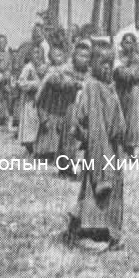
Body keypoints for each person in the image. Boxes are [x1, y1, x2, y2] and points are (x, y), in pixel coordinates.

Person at [64, 44, 126, 252]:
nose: (108, 68)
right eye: (103, 63)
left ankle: (103, 230)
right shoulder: (92, 87)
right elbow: (84, 121)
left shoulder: (109, 87)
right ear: (92, 65)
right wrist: (94, 141)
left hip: (112, 150)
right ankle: (91, 232)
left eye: (111, 63)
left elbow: (118, 122)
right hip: (100, 150)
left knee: (109, 192)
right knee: (95, 191)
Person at [57, 40, 92, 177]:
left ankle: (85, 168)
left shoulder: (91, 72)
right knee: (68, 139)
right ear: (74, 56)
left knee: (84, 139)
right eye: (80, 56)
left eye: (86, 56)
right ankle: (65, 167)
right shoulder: (67, 70)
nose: (83, 59)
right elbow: (62, 82)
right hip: (70, 109)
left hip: (86, 111)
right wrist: (74, 84)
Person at [34, 46, 71, 162]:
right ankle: (44, 153)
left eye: (60, 55)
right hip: (49, 99)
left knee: (59, 126)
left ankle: (57, 152)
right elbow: (43, 83)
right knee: (48, 125)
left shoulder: (67, 68)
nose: (58, 58)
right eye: (55, 56)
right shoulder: (49, 69)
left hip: (61, 99)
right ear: (50, 57)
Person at [114, 31, 139, 157]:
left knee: (132, 121)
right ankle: (121, 149)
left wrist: (118, 70)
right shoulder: (121, 56)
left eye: (129, 42)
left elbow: (133, 74)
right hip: (122, 91)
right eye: (125, 42)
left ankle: (130, 150)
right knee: (121, 118)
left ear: (134, 44)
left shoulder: (137, 56)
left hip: (133, 92)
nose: (127, 45)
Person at [17, 44, 48, 154]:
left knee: (40, 122)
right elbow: (21, 82)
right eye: (34, 53)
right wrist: (34, 85)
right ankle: (30, 147)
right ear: (30, 55)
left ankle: (40, 146)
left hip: (42, 100)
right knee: (30, 122)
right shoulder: (28, 67)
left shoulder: (44, 66)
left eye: (39, 53)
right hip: (31, 100)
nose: (37, 56)